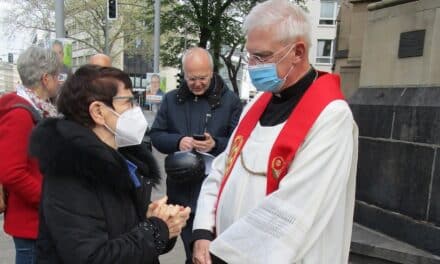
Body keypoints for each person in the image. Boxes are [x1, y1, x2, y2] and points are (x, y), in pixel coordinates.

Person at [192, 0, 359, 263]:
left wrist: (226, 254)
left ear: (298, 52)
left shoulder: (331, 116)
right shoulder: (257, 104)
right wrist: (203, 230)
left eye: (262, 56)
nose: (253, 65)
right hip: (224, 249)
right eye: (250, 55)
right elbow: (221, 170)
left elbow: (297, 207)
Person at [29, 65, 191, 263]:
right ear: (98, 111)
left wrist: (157, 221)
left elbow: (124, 232)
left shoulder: (123, 160)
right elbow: (92, 257)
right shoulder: (69, 174)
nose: (136, 111)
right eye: (128, 102)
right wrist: (156, 229)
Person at [150, 47, 243, 264]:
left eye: (203, 78)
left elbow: (240, 141)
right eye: (192, 79)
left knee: (212, 255)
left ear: (212, 72)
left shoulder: (230, 101)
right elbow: (156, 135)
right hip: (182, 193)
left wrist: (215, 144)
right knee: (194, 253)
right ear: (184, 74)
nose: (197, 83)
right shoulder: (172, 99)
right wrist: (178, 141)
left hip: (216, 194)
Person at [0, 46, 61, 264]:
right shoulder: (21, 114)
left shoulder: (40, 109)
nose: (59, 81)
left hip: (38, 221)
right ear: (46, 79)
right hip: (30, 224)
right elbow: (12, 172)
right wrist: (48, 199)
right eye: (57, 76)